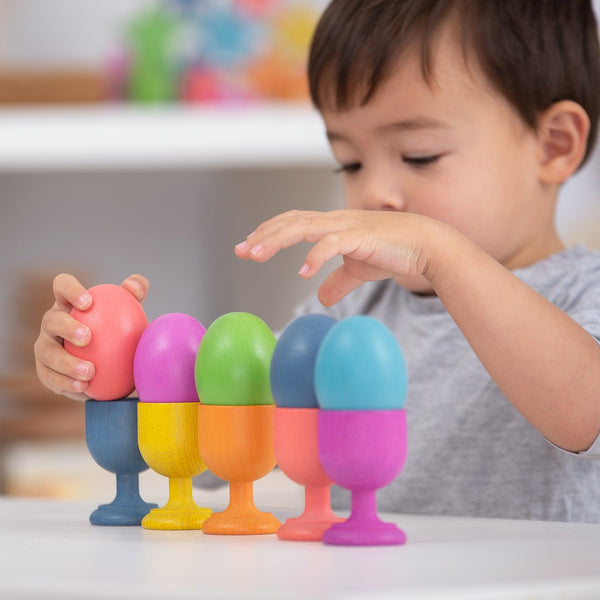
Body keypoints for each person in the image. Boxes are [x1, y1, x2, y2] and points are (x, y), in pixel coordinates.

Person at [35, 0, 600, 522]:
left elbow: (583, 412)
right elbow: (228, 439)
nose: (376, 192)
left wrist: (440, 251)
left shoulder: (582, 293)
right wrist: (129, 372)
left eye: (419, 156)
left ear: (553, 144)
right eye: (349, 163)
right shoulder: (351, 308)